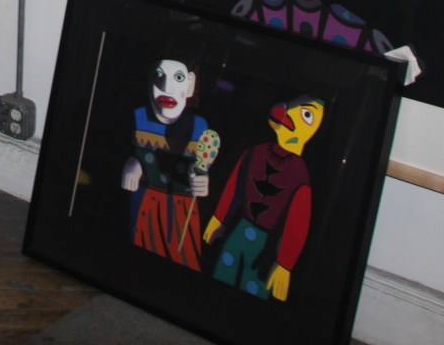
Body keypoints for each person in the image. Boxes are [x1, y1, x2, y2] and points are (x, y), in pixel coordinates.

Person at [204, 95, 324, 300]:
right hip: (239, 230)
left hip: (268, 247)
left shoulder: (300, 174)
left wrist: (284, 264)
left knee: (254, 287)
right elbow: (234, 187)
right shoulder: (255, 152)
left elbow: (298, 222)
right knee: (223, 271)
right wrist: (219, 219)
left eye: (306, 115)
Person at [123, 56, 211, 270]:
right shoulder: (139, 117)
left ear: (190, 84)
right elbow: (133, 153)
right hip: (145, 201)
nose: (166, 87)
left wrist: (201, 178)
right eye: (158, 76)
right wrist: (133, 164)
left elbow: (200, 164)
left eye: (178, 78)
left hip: (181, 208)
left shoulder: (200, 126)